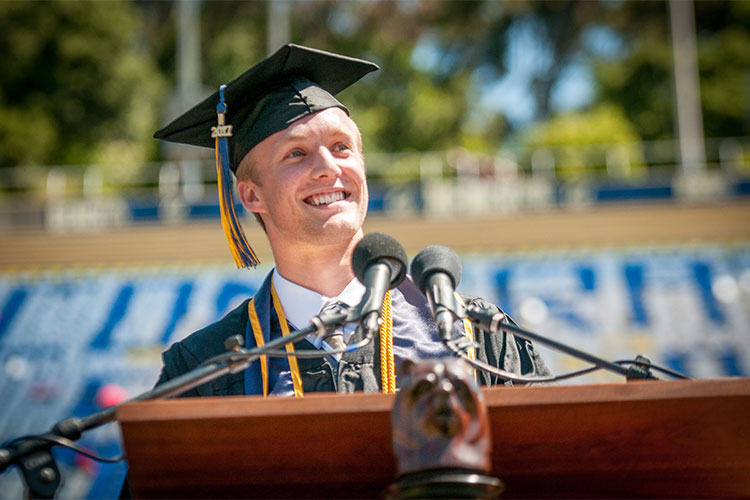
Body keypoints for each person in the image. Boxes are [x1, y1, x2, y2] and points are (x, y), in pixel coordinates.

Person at [151, 44, 550, 398]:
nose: (328, 167)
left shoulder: (474, 336)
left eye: (342, 147)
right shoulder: (205, 370)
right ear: (252, 195)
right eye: (296, 154)